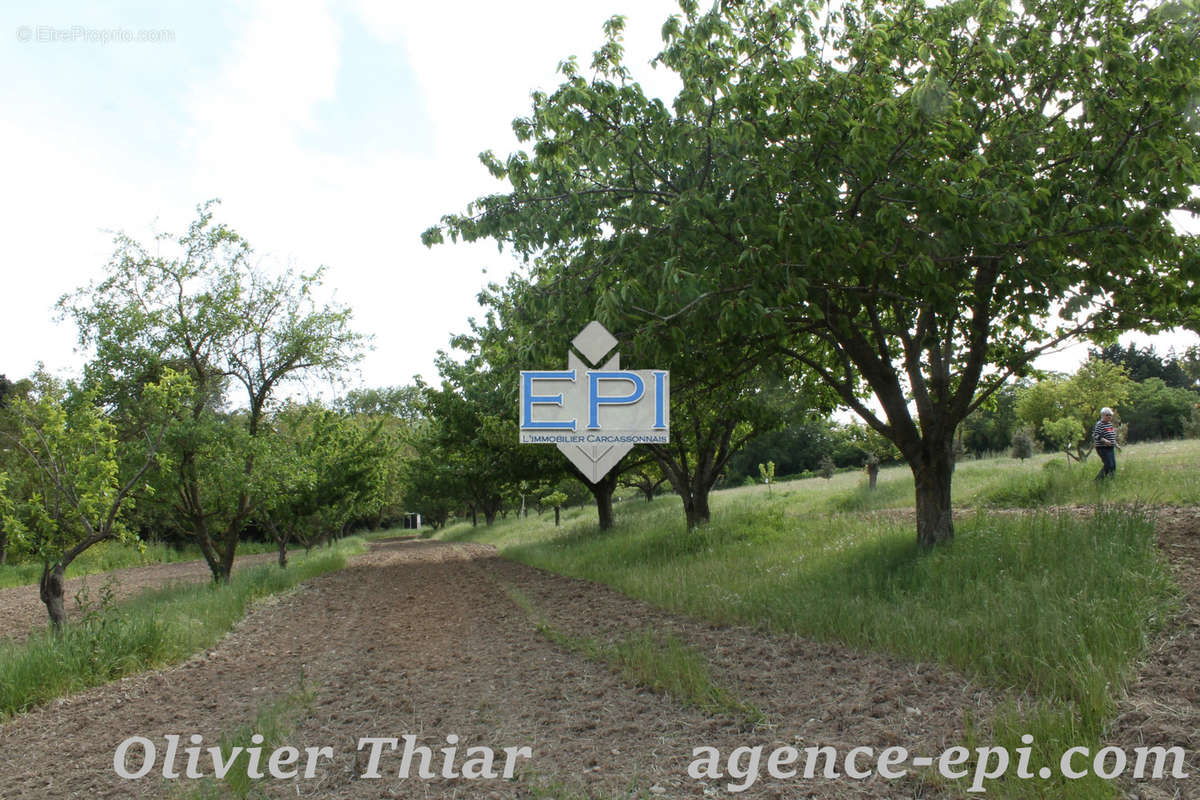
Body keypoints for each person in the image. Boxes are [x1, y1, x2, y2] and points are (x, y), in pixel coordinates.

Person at [1093, 407, 1118, 480]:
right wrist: (1105, 441)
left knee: (1113, 466)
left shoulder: (1109, 424)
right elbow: (1096, 435)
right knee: (1108, 465)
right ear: (1103, 415)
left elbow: (1112, 435)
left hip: (1110, 447)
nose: (1109, 417)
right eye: (1107, 415)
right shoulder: (1099, 424)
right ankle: (1097, 480)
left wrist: (1116, 444)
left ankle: (1112, 481)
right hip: (1102, 448)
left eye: (1110, 415)